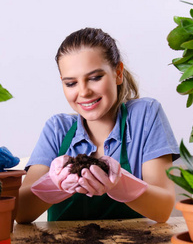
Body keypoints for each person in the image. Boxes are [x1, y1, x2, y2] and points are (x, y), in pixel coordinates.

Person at [16, 27, 179, 224]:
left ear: (118, 73)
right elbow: (21, 214)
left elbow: (163, 209)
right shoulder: (57, 129)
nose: (83, 92)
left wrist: (120, 183)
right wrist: (54, 184)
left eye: (94, 78)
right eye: (71, 83)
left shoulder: (145, 115)